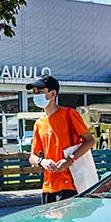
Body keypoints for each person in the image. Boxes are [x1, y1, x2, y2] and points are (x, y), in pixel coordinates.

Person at [26, 75, 96, 204]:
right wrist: (42, 162)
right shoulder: (39, 123)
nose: (36, 95)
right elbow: (32, 157)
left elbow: (90, 140)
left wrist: (70, 160)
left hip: (71, 183)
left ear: (53, 93)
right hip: (48, 186)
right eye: (34, 92)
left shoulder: (69, 114)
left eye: (40, 91)